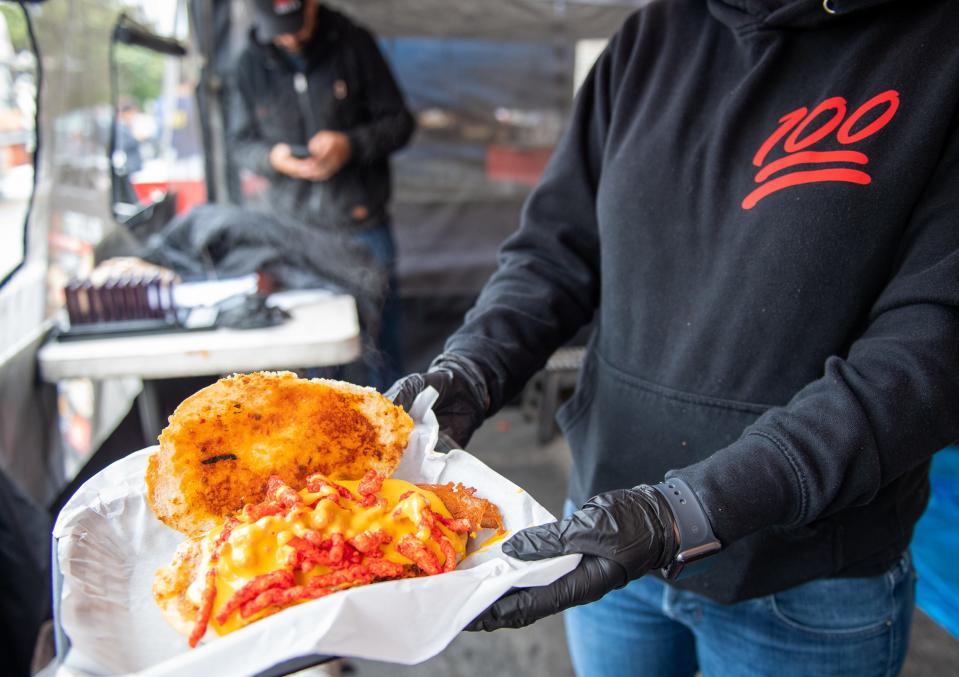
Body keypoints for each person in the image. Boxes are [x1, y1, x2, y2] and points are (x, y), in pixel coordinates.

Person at [386, 0, 959, 674]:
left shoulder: (939, 48)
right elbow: (552, 253)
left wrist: (682, 513)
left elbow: (925, 351)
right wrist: (472, 367)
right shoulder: (648, 36)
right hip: (601, 541)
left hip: (804, 582)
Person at [230, 0, 415, 388]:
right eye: (279, 28)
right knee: (311, 353)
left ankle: (394, 427)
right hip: (296, 231)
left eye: (297, 23)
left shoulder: (354, 44)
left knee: (382, 341)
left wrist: (350, 145)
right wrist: (273, 158)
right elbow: (239, 143)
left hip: (361, 222)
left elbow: (399, 123)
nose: (291, 36)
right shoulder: (249, 63)